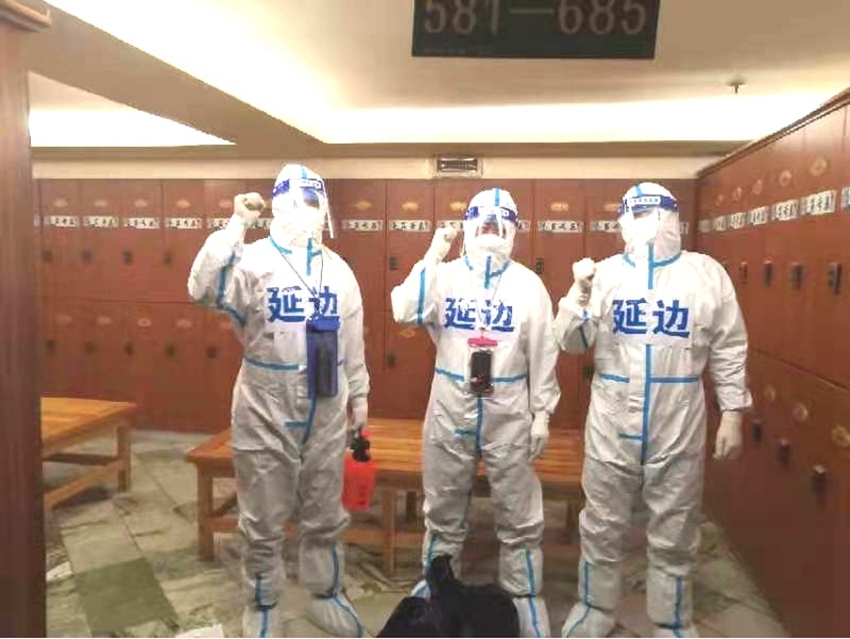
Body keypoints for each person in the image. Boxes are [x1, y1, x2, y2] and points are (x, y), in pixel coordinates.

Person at [555, 182, 751, 638]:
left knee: (676, 523)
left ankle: (672, 619)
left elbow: (729, 345)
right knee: (601, 522)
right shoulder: (603, 274)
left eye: (655, 215)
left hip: (677, 416)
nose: (648, 225)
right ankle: (595, 606)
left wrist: (733, 411)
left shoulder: (705, 275)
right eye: (638, 216)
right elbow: (571, 342)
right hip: (612, 417)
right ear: (623, 222)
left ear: (674, 219)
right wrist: (579, 294)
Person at [187, 164, 369, 638]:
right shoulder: (251, 260)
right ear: (278, 205)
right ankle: (263, 602)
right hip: (266, 403)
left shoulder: (339, 270)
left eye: (314, 202)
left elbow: (353, 341)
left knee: (325, 508)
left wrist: (361, 396)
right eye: (297, 201)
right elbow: (202, 289)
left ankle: (325, 592)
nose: (306, 211)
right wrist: (235, 226)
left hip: (327, 403)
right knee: (263, 513)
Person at [390, 187, 561, 638]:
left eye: (501, 223)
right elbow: (404, 309)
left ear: (514, 230)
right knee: (443, 505)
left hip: (509, 407)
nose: (491, 230)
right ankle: (437, 586)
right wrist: (432, 254)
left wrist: (542, 412)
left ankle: (524, 595)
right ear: (467, 225)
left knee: (519, 511)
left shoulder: (529, 285)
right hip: (451, 402)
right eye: (483, 221)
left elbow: (544, 351)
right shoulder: (443, 276)